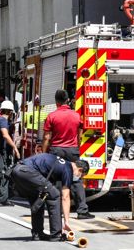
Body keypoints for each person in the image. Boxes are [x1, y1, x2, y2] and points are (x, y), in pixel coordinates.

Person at [10, 154, 89, 241]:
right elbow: (65, 197)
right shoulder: (68, 169)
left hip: (16, 170)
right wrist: (66, 222)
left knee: (39, 197)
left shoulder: (61, 163)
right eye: (81, 176)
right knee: (55, 195)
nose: (79, 178)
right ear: (80, 169)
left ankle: (37, 233)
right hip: (27, 172)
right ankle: (56, 234)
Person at [42, 89, 93, 219]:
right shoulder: (76, 115)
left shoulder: (52, 116)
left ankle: (58, 210)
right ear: (67, 100)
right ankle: (82, 210)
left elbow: (47, 137)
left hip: (57, 150)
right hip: (72, 150)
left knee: (57, 180)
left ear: (56, 101)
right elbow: (80, 131)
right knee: (76, 180)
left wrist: (43, 153)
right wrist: (77, 144)